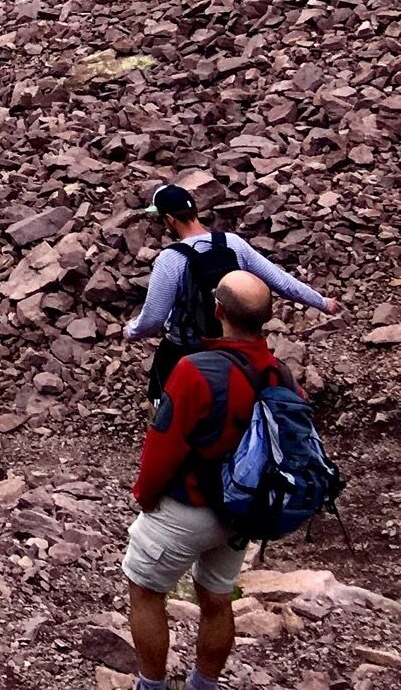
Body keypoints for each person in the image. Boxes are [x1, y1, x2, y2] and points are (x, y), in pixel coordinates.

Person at [123, 271, 295, 690]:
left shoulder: (195, 370)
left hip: (188, 507)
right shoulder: (280, 374)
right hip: (241, 511)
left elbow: (164, 444)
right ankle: (204, 685)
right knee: (217, 598)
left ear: (218, 310)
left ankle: (151, 685)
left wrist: (145, 496)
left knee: (145, 590)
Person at [127, 182, 335, 399]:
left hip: (185, 349)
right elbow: (281, 282)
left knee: (164, 407)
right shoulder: (233, 243)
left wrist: (131, 331)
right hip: (235, 347)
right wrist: (322, 302)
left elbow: (153, 319)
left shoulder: (171, 259)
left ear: (170, 219)